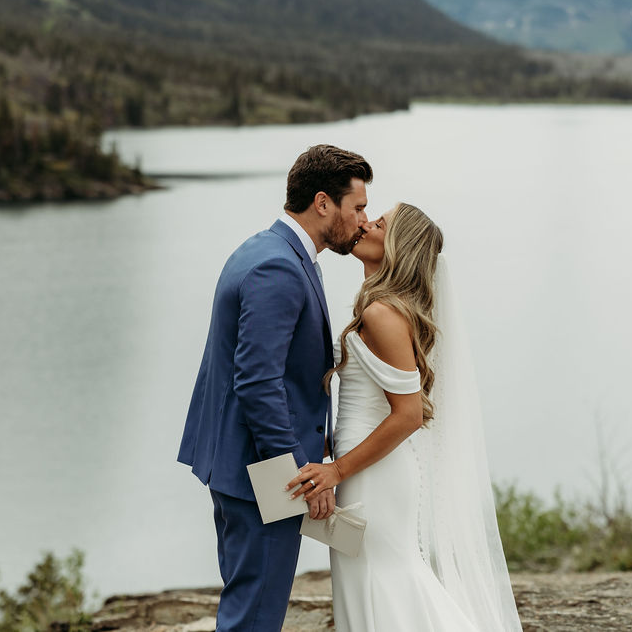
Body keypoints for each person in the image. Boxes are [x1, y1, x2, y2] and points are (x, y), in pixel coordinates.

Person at [288, 203, 522, 631]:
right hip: (365, 465)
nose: (366, 223)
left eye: (380, 223)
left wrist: (336, 470)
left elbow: (409, 415)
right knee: (368, 581)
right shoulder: (380, 307)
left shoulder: (382, 314)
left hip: (371, 474)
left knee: (387, 583)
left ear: (397, 247)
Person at [176, 144, 372, 631]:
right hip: (260, 476)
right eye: (359, 206)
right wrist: (299, 476)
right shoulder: (278, 268)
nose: (364, 220)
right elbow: (257, 381)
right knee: (255, 618)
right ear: (323, 203)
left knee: (248, 607)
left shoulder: (265, 249)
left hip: (239, 463)